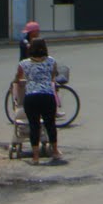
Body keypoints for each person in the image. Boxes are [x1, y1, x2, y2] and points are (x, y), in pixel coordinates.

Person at [16, 36, 63, 164]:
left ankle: (35, 157)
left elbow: (18, 79)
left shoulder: (23, 63)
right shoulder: (51, 61)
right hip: (47, 96)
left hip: (31, 97)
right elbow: (53, 76)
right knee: (50, 124)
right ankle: (55, 151)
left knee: (34, 126)